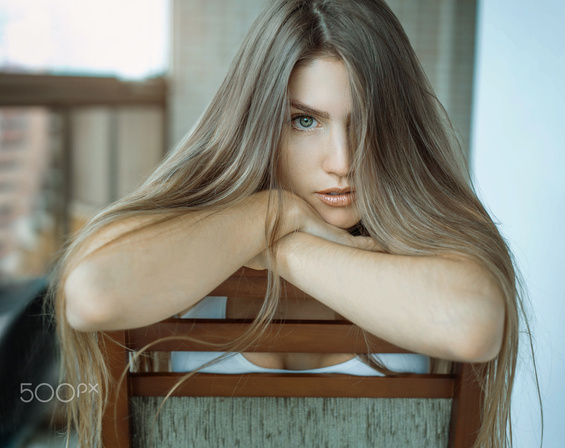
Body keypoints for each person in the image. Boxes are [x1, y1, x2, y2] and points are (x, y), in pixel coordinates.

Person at [49, 0, 534, 446]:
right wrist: (273, 213)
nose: (342, 161)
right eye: (304, 121)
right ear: (256, 122)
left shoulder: (431, 243)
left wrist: (280, 244)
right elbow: (93, 294)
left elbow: (475, 323)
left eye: (364, 121)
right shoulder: (190, 236)